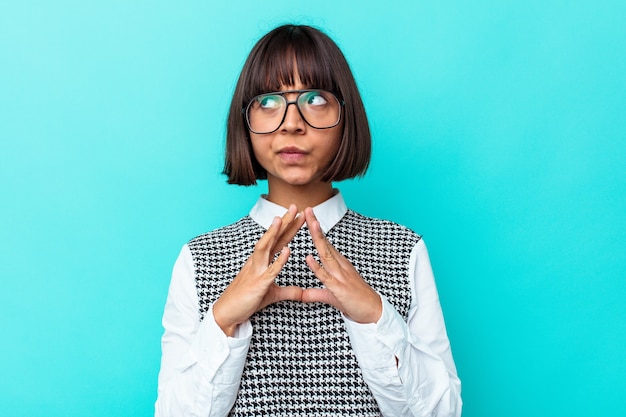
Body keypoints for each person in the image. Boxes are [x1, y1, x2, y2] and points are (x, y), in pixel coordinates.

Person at [155, 24, 462, 417]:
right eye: (269, 101)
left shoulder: (402, 249)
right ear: (244, 121)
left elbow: (442, 412)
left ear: (345, 117)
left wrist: (375, 315)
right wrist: (224, 318)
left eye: (315, 98)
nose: (291, 123)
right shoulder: (200, 259)